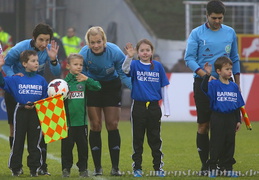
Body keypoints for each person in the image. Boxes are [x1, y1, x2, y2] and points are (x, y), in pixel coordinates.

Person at [184, 0, 241, 175]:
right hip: (204, 85)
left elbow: (235, 58)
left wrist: (236, 86)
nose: (217, 21)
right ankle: (206, 165)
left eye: (220, 18)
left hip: (226, 86)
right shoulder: (196, 33)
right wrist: (206, 76)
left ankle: (224, 165)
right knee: (203, 126)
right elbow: (189, 59)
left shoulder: (230, 32)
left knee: (226, 126)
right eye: (214, 18)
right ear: (207, 16)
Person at [3, 22, 61, 176]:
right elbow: (6, 65)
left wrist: (53, 59)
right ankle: (17, 166)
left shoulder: (48, 50)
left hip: (37, 91)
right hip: (17, 90)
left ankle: (42, 166)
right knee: (15, 130)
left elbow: (56, 71)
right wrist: (14, 78)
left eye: (47, 40)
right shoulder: (19, 48)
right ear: (34, 38)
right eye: (41, 40)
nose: (44, 44)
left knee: (43, 129)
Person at [79, 26, 131, 176]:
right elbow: (78, 71)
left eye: (98, 42)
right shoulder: (84, 53)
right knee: (95, 125)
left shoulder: (114, 51)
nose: (96, 45)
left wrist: (134, 86)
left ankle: (115, 168)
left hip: (111, 87)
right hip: (92, 86)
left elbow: (123, 71)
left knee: (112, 124)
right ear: (88, 42)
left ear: (104, 41)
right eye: (92, 42)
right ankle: (97, 168)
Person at [122, 39, 170, 177]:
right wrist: (129, 57)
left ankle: (158, 167)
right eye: (142, 50)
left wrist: (167, 109)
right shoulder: (135, 64)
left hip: (154, 108)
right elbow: (125, 69)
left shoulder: (158, 66)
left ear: (152, 52)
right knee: (137, 139)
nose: (145, 53)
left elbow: (164, 88)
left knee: (155, 138)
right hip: (138, 106)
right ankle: (137, 167)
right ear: (138, 52)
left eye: (147, 50)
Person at [0, 50, 48, 177]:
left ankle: (34, 168)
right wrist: (0, 67)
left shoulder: (41, 80)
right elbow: (2, 82)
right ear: (24, 64)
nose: (36, 63)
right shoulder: (17, 78)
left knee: (34, 143)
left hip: (35, 114)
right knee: (18, 141)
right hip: (20, 112)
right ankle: (16, 168)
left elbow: (46, 98)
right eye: (33, 61)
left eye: (37, 60)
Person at [201, 57, 244, 177]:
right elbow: (204, 88)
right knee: (216, 143)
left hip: (231, 118)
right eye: (227, 69)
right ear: (219, 71)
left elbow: (237, 105)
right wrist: (207, 75)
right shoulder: (214, 84)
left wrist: (238, 120)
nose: (230, 71)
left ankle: (228, 167)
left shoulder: (234, 87)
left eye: (231, 69)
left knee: (230, 143)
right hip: (217, 117)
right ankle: (213, 167)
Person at [61, 53, 101, 178]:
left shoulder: (83, 81)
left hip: (82, 123)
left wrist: (87, 79)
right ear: (68, 66)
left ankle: (83, 169)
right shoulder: (63, 83)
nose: (79, 67)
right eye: (75, 64)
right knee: (67, 148)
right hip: (68, 124)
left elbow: (98, 87)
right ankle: (66, 169)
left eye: (81, 65)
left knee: (83, 148)